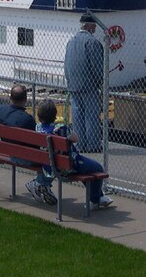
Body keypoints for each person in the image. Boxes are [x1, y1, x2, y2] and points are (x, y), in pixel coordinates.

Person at [31, 101, 113, 209]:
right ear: (54, 115)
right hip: (70, 165)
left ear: (39, 116)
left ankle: (98, 197)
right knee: (98, 168)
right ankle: (94, 200)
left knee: (88, 170)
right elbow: (75, 138)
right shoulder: (60, 128)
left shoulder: (38, 128)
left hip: (50, 166)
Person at [64, 13, 104, 152]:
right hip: (89, 86)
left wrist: (70, 82)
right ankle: (93, 146)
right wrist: (100, 83)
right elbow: (97, 67)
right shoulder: (93, 43)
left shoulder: (71, 41)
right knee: (92, 117)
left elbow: (66, 66)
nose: (95, 28)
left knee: (77, 117)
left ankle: (80, 145)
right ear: (88, 25)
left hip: (73, 85)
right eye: (93, 25)